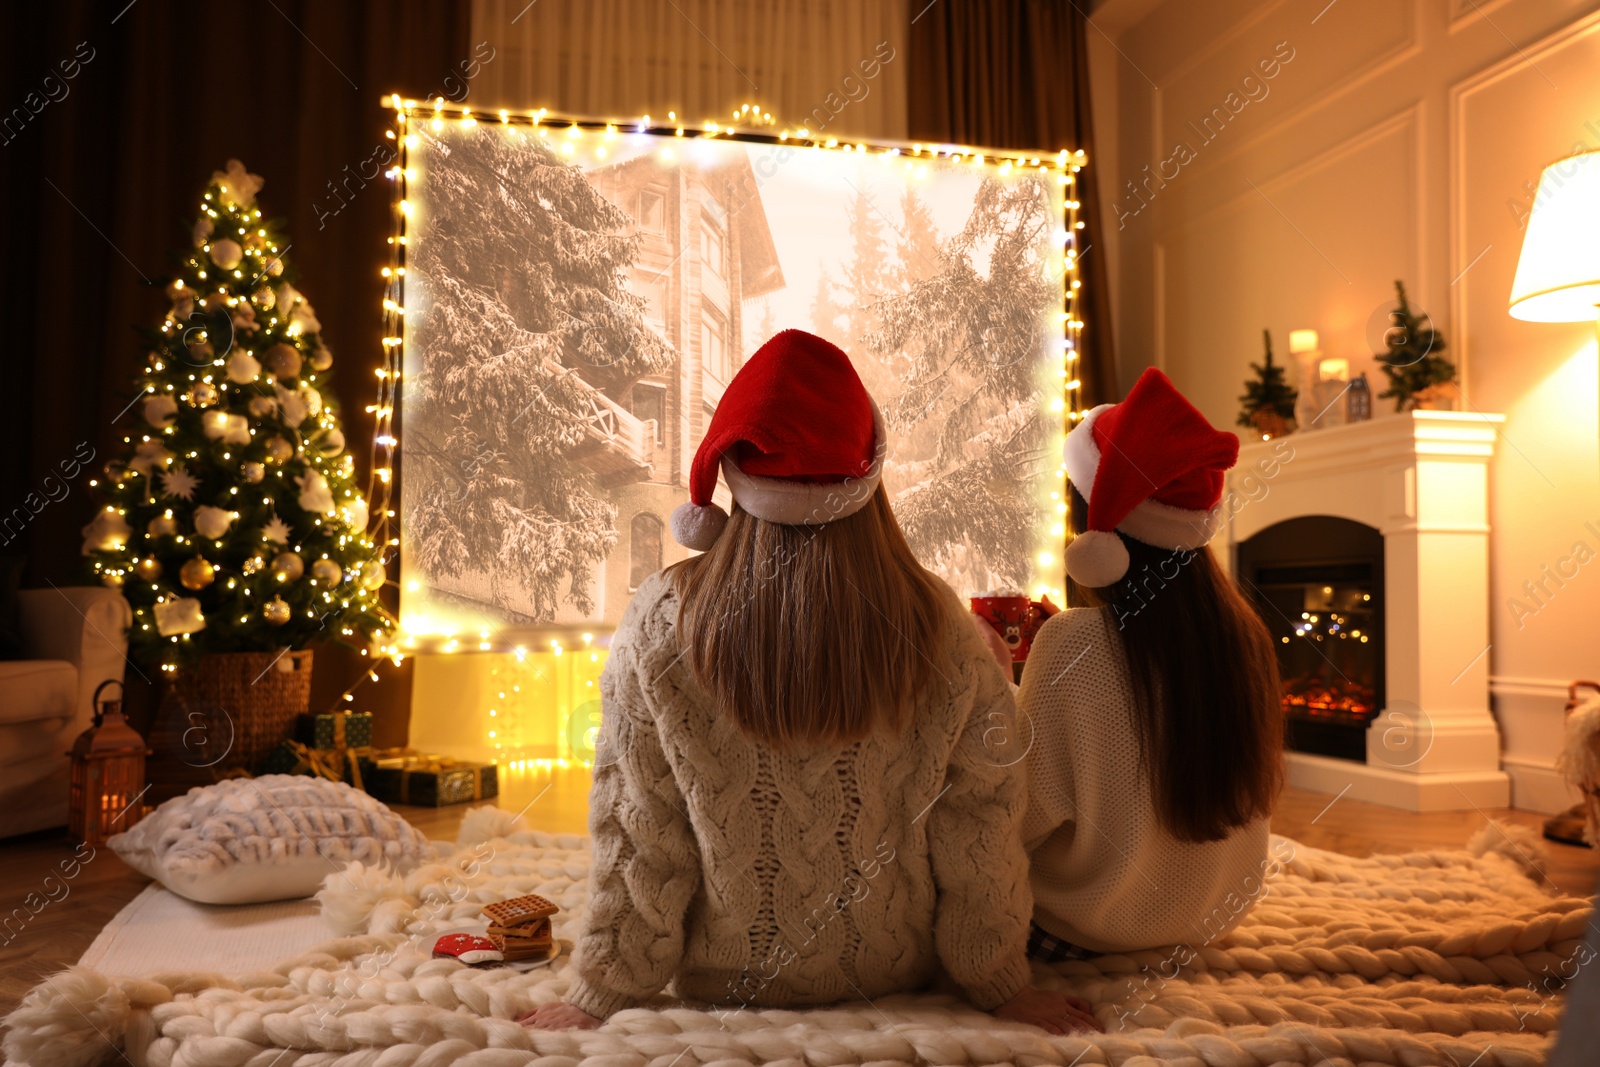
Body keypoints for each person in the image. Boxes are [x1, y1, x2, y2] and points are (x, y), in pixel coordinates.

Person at [521, 330, 1100, 1034]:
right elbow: (978, 826)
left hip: (718, 980)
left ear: (731, 479)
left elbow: (642, 831)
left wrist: (601, 991)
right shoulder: (941, 629)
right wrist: (999, 981)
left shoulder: (660, 623)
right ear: (869, 477)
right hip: (893, 971)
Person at [1015, 368, 1284, 963]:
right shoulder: (1248, 637)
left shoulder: (1069, 644)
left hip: (1080, 931)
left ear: (1097, 523)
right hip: (1209, 922)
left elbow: (1017, 818)